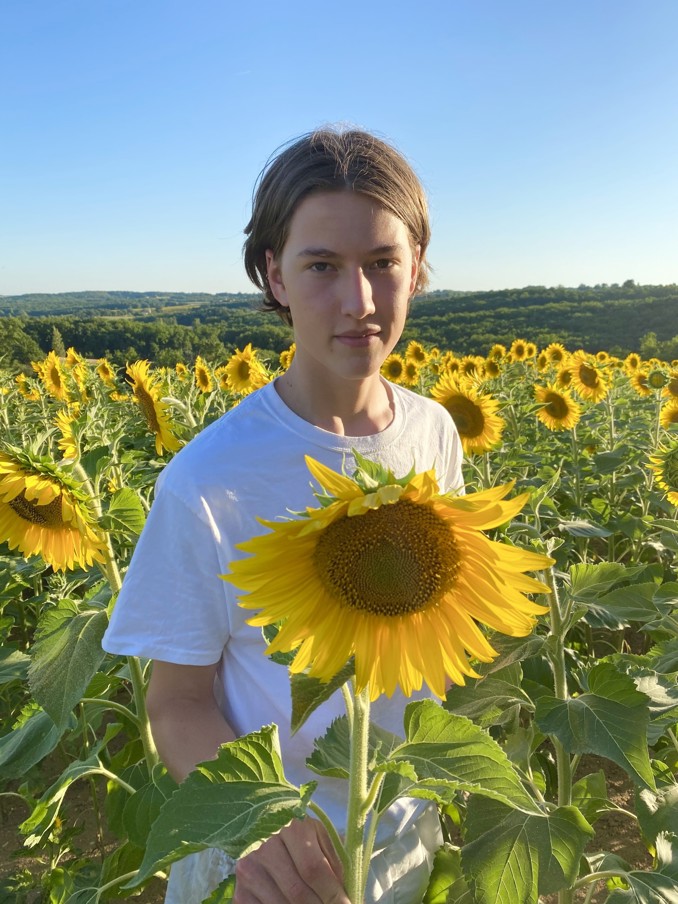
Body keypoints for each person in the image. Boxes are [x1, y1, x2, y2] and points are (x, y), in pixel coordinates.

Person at [102, 126, 464, 904]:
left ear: (417, 268)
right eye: (322, 266)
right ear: (275, 275)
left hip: (398, 835)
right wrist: (255, 823)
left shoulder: (434, 431)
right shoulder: (209, 477)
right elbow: (176, 702)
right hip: (266, 865)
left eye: (382, 264)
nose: (359, 301)